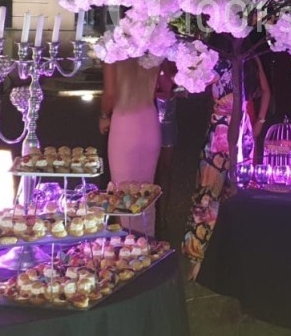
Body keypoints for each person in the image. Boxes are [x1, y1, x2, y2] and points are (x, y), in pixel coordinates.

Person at [181, 58, 270, 279]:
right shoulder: (251, 59)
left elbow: (195, 83)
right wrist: (259, 120)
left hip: (220, 130)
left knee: (207, 192)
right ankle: (236, 253)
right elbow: (266, 91)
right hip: (244, 128)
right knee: (240, 191)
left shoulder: (218, 62)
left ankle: (199, 255)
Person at [100, 56, 163, 234]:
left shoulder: (114, 50)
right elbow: (164, 86)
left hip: (124, 124)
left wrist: (104, 116)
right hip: (149, 122)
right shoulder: (156, 46)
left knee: (123, 195)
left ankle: (130, 250)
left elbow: (110, 94)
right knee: (147, 193)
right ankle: (147, 245)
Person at [153, 62, 178, 236]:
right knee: (150, 170)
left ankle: (162, 216)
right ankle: (151, 213)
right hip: (148, 118)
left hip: (167, 120)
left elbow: (170, 90)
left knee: (165, 170)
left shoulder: (170, 61)